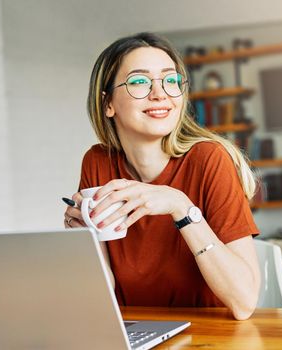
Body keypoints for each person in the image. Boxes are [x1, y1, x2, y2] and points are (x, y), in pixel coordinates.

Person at [64, 32, 260, 320]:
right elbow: (103, 298)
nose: (161, 94)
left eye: (171, 81)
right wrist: (85, 239)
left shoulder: (209, 160)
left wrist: (181, 207)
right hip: (135, 333)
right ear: (108, 103)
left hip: (209, 336)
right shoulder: (98, 162)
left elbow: (244, 303)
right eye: (140, 82)